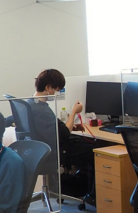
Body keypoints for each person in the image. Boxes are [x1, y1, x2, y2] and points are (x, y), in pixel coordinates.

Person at [30, 69, 98, 201]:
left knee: (85, 146)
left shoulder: (32, 103)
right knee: (95, 152)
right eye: (56, 90)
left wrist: (72, 125)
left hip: (42, 149)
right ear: (48, 87)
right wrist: (73, 113)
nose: (56, 94)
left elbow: (52, 127)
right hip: (55, 151)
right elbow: (64, 134)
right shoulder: (41, 110)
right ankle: (92, 195)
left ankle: (83, 189)